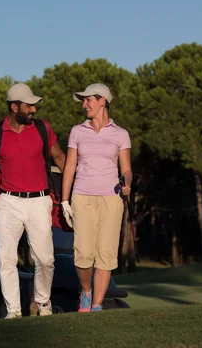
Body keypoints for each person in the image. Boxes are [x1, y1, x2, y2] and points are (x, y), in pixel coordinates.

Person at [0, 83, 66, 319]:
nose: (33, 109)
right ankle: (13, 311)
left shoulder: (43, 128)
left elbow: (60, 157)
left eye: (34, 105)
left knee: (45, 259)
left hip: (40, 200)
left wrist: (72, 192)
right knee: (6, 258)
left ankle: (43, 304)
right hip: (9, 202)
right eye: (28, 105)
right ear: (14, 107)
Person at [60, 83, 132, 312]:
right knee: (82, 254)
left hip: (111, 199)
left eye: (87, 100)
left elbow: (127, 168)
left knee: (106, 253)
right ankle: (86, 293)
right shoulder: (77, 131)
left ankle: (97, 306)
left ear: (102, 100)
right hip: (82, 196)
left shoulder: (121, 134)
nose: (84, 105)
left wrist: (127, 181)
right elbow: (69, 167)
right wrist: (64, 200)